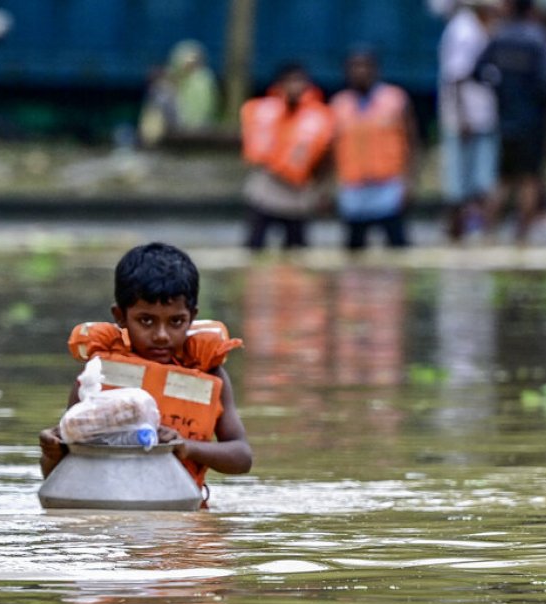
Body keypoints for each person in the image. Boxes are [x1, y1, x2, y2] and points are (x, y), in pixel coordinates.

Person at [38, 243, 253, 502]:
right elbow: (57, 477)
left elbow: (242, 457)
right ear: (120, 317)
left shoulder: (210, 374)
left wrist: (186, 447)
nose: (161, 336)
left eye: (176, 321)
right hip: (109, 518)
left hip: (181, 514)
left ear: (192, 317)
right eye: (146, 321)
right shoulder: (98, 377)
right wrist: (51, 452)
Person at [473, 0, 546, 242]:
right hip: (532, 121)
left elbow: (477, 72)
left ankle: (488, 231)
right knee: (529, 177)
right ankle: (522, 235)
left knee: (503, 178)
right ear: (531, 11)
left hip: (505, 119)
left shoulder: (499, 37)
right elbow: (545, 83)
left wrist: (499, 88)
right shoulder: (537, 39)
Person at [330, 48, 419, 250]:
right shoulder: (339, 104)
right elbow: (332, 149)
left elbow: (412, 143)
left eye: (365, 66)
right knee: (354, 248)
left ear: (376, 69)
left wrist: (410, 180)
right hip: (353, 189)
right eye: (355, 67)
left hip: (388, 186)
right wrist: (329, 186)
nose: (360, 71)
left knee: (397, 246)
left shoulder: (395, 99)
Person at [240, 62, 335, 250]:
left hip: (298, 190)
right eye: (289, 82)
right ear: (280, 85)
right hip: (267, 184)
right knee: (255, 244)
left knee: (297, 246)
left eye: (299, 82)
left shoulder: (320, 116)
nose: (294, 87)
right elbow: (251, 143)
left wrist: (321, 189)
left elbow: (327, 157)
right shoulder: (262, 110)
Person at [438, 0, 501, 241]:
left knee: (481, 183)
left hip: (482, 117)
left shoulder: (482, 28)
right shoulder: (464, 30)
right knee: (458, 186)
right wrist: (462, 117)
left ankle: (479, 235)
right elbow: (456, 77)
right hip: (466, 120)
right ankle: (456, 235)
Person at [167, 40, 220, 132]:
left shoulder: (204, 79)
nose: (191, 65)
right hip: (175, 128)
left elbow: (210, 104)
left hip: (201, 127)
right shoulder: (167, 84)